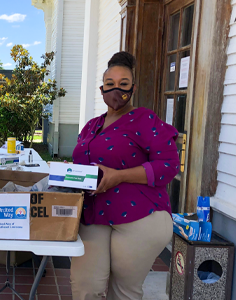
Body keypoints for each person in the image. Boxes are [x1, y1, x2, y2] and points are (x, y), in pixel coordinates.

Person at [70, 52, 180, 300]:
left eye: (123, 83)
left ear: (133, 88)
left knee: (124, 293)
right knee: (85, 287)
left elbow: (169, 164)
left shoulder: (146, 120)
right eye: (110, 84)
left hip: (139, 217)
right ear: (101, 88)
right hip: (93, 215)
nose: (116, 89)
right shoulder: (91, 125)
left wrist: (119, 176)